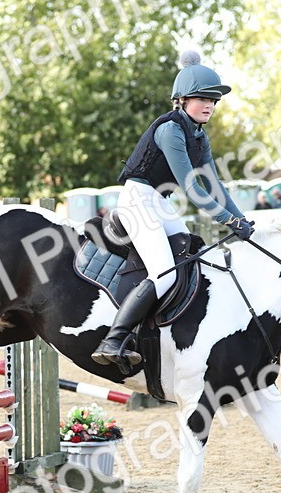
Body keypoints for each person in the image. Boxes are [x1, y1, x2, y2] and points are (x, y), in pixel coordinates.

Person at [92, 50, 255, 371]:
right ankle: (114, 338)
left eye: (214, 100)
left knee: (188, 250)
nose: (209, 105)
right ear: (181, 100)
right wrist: (228, 220)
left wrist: (241, 219)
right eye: (202, 99)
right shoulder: (171, 130)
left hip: (159, 202)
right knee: (164, 273)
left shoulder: (198, 135)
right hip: (138, 200)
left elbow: (215, 186)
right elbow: (194, 188)